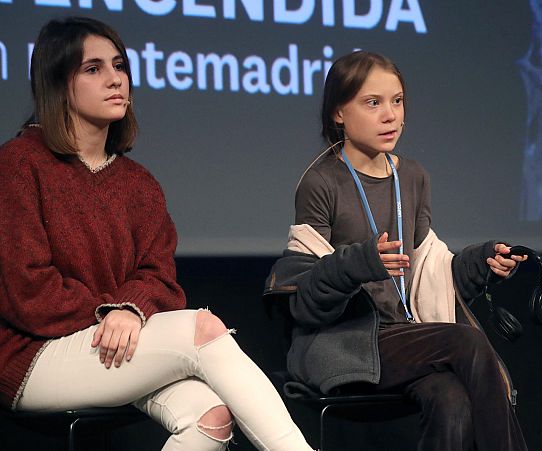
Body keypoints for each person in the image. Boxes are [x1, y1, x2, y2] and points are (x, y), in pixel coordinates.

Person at [0, 16, 313, 451]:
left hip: (116, 345)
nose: (115, 79)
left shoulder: (138, 182)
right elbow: (26, 288)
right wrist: (110, 312)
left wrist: (129, 311)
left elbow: (160, 277)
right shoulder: (19, 163)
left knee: (210, 417)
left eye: (119, 66)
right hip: (33, 357)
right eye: (93, 69)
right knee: (202, 329)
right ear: (57, 83)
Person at [265, 50, 529, 450]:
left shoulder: (413, 177)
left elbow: (429, 277)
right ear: (339, 112)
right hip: (350, 342)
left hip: (409, 334)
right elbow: (305, 301)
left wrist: (484, 261)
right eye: (373, 103)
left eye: (397, 101)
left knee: (452, 400)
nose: (391, 115)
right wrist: (362, 262)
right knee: (468, 341)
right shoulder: (321, 183)